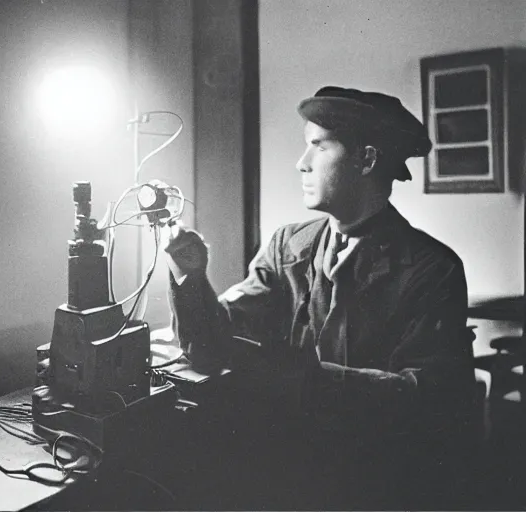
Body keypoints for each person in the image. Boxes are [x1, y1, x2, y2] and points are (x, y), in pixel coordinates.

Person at [164, 86, 479, 508]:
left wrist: (297, 380)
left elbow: (426, 398)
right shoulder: (288, 245)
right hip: (284, 471)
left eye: (318, 146)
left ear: (366, 159)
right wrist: (191, 276)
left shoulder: (431, 268)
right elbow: (209, 343)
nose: (301, 163)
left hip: (375, 485)